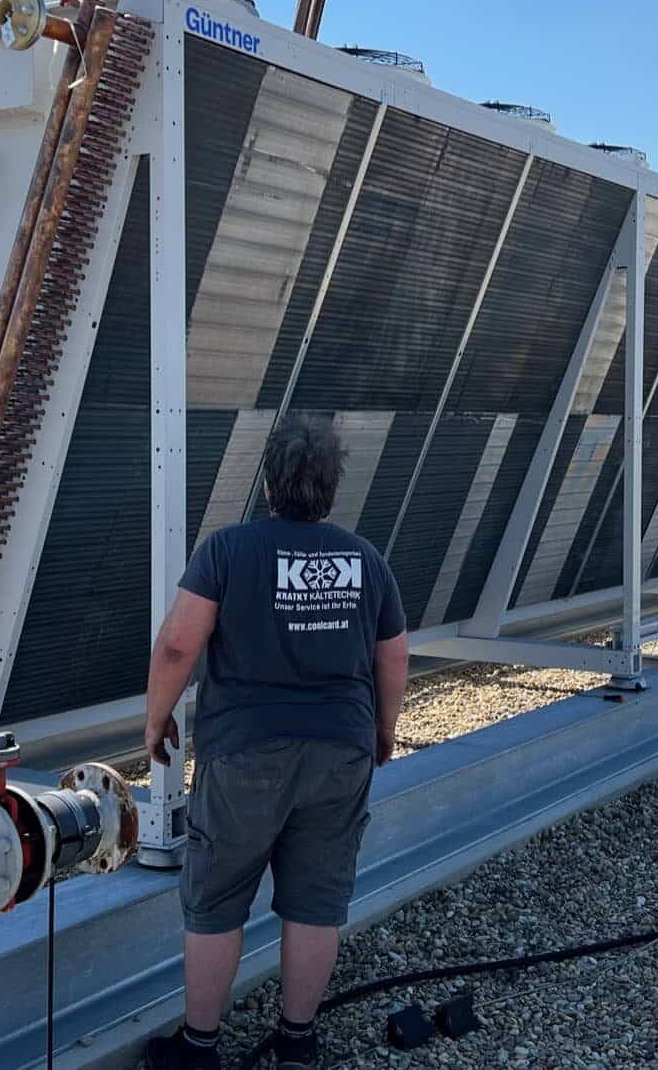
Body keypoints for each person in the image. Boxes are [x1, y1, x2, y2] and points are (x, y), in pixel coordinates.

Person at [143, 413, 410, 1070]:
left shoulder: (228, 550)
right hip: (339, 749)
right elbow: (394, 655)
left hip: (245, 752)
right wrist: (382, 732)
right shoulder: (365, 558)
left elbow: (179, 641)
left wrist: (156, 719)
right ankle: (297, 1043)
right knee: (316, 899)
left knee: (217, 898)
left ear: (269, 481)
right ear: (331, 486)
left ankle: (200, 1049)